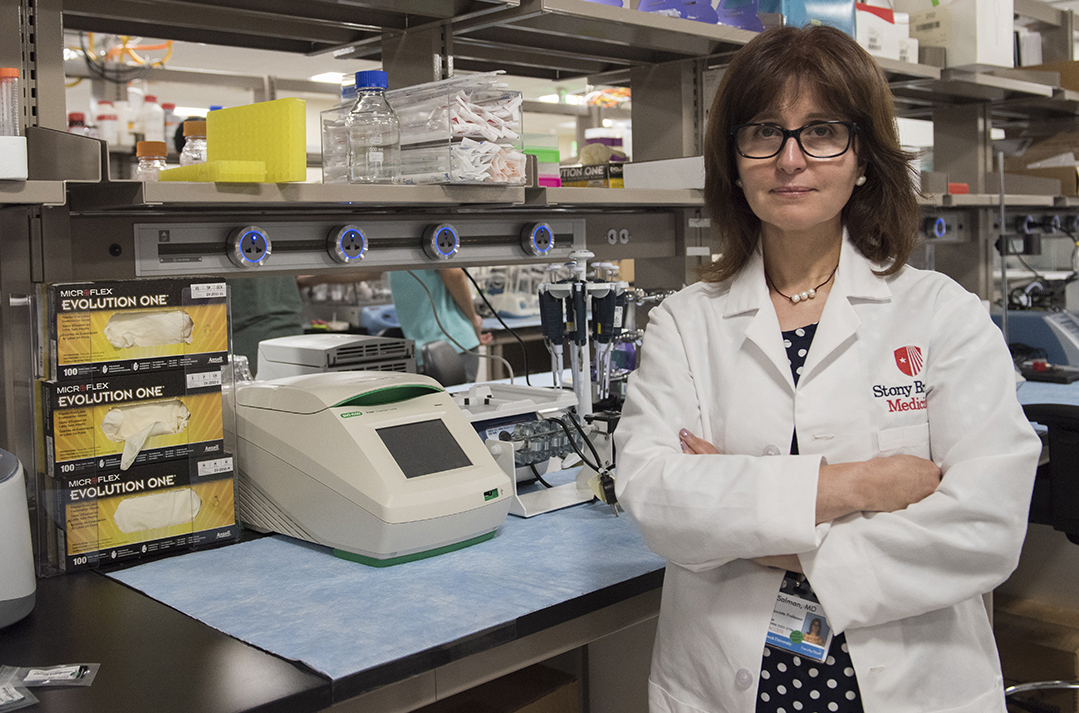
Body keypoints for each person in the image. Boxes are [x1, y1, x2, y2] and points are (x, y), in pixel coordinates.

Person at [613, 25, 1041, 713]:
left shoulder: (941, 315)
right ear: (733, 158)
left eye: (820, 132)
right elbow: (655, 496)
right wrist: (861, 484)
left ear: (863, 157)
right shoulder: (685, 322)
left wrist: (752, 525)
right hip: (729, 683)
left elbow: (984, 527)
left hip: (912, 681)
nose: (790, 159)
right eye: (762, 132)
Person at [389, 268, 492, 382]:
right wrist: (474, 320)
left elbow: (453, 273)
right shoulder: (395, 254)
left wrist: (473, 319)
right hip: (425, 351)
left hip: (452, 345)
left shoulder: (425, 252)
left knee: (454, 399)